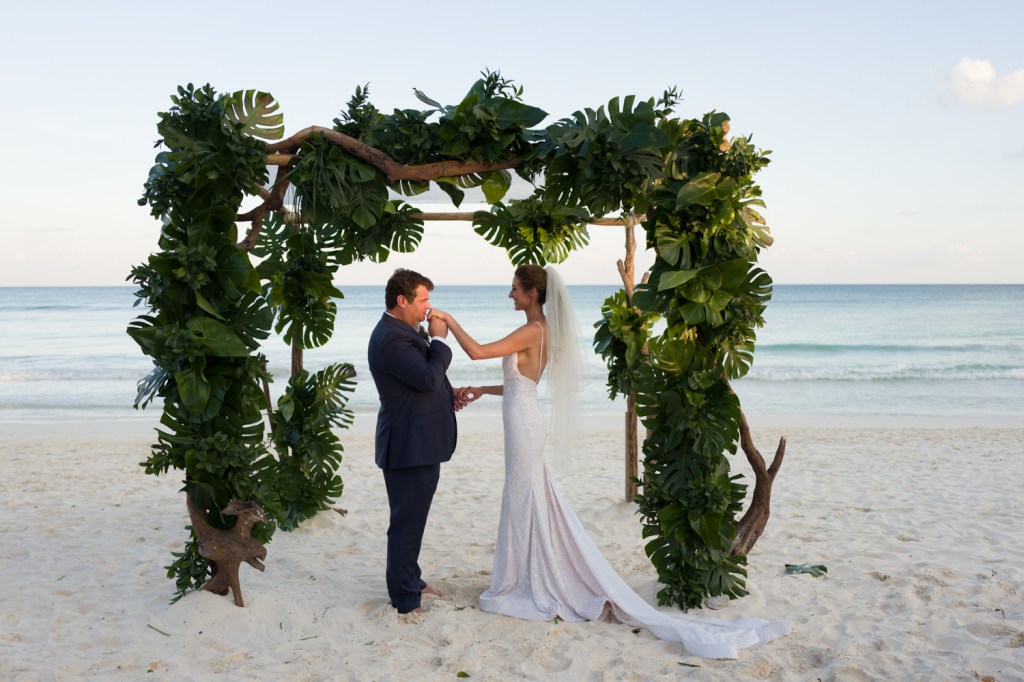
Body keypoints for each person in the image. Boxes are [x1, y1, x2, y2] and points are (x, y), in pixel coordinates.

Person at [428, 264, 790, 659]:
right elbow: (521, 383)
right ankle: (521, 573)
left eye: (515, 289)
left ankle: (527, 579)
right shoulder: (539, 330)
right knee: (526, 494)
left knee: (525, 493)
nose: (510, 295)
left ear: (533, 293)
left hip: (524, 424)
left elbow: (478, 351)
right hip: (522, 417)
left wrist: (448, 320)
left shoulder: (534, 330)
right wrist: (481, 389)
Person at [367, 268, 462, 614]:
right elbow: (425, 377)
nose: (428, 307)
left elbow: (424, 382)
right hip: (407, 446)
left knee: (414, 519)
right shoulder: (391, 338)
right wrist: (440, 341)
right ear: (402, 300)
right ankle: (405, 598)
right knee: (406, 523)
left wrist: (450, 396)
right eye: (423, 299)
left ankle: (412, 578)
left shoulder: (403, 332)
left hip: (418, 441)